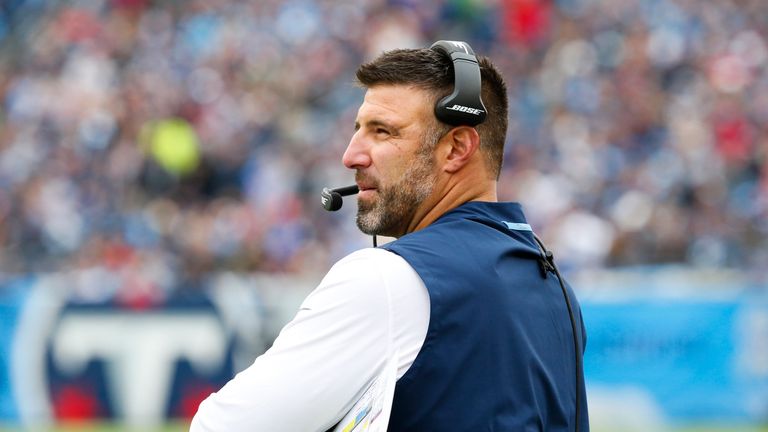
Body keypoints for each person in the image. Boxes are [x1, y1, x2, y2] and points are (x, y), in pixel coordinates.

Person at [190, 40, 589, 432]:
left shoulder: (386, 278)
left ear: (456, 149)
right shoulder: (557, 290)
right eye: (358, 129)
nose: (351, 155)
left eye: (383, 132)